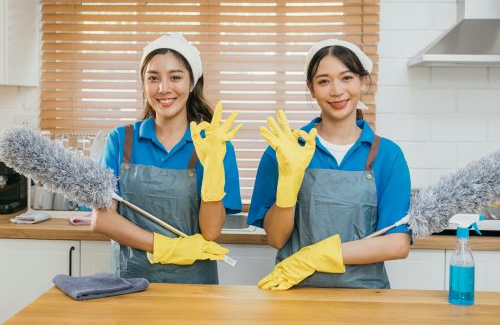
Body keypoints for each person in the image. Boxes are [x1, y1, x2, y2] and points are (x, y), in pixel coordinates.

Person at [248, 39, 411, 290]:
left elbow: (397, 244)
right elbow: (276, 238)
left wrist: (319, 255)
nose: (336, 91)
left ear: (362, 81)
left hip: (367, 296)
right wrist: (288, 187)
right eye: (324, 81)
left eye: (346, 78)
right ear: (311, 88)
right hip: (295, 294)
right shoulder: (285, 149)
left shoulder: (387, 155)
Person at [92, 34, 242, 284]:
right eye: (153, 78)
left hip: (194, 288)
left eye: (175, 77)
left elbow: (211, 231)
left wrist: (214, 167)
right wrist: (162, 247)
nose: (163, 88)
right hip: (130, 285)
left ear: (193, 83)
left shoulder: (214, 144)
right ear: (143, 83)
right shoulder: (121, 140)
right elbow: (102, 218)